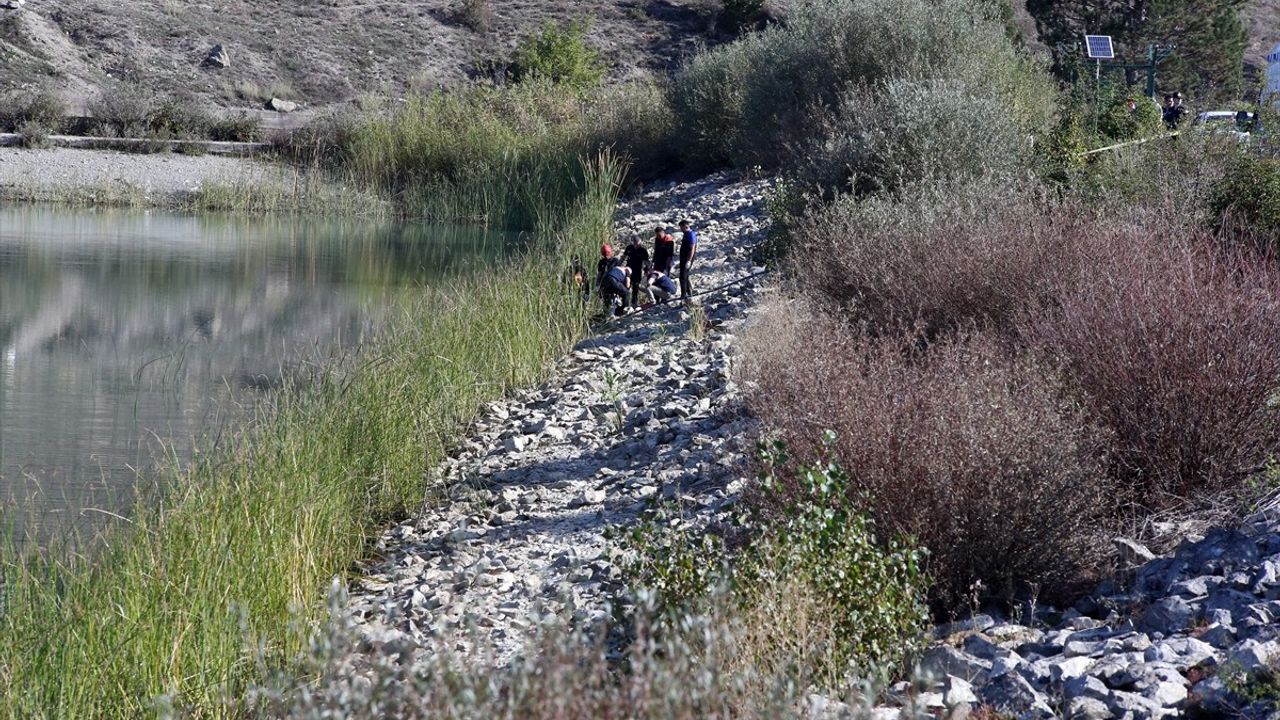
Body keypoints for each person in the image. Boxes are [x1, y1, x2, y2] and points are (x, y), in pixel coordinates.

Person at [622, 235, 650, 307]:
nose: (637, 244)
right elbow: (624, 257)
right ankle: (625, 303)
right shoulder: (629, 248)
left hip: (637, 270)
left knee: (636, 287)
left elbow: (646, 261)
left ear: (640, 242)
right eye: (635, 243)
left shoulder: (643, 250)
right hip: (628, 270)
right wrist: (619, 265)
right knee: (627, 286)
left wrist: (647, 269)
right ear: (633, 242)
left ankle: (634, 302)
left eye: (638, 243)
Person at [677, 219, 697, 300]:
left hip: (688, 257)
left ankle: (684, 295)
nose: (681, 230)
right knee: (686, 275)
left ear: (686, 226)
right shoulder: (685, 234)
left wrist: (689, 260)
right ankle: (689, 292)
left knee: (682, 276)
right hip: (683, 257)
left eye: (682, 228)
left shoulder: (691, 234)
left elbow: (692, 248)